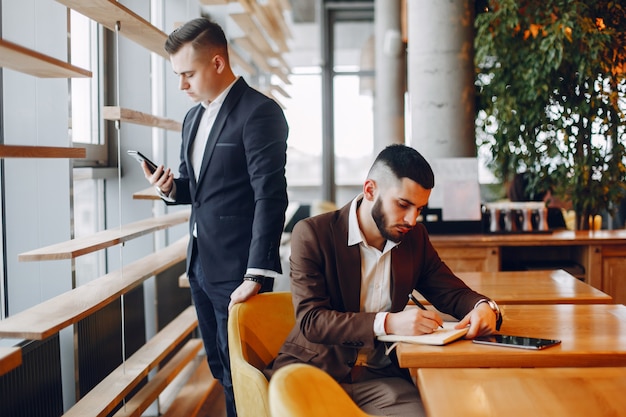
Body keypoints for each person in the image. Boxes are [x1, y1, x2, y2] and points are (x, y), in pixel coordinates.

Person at [264, 144, 501, 416]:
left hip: (380, 377)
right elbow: (311, 320)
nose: (412, 219)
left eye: (420, 208)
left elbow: (452, 292)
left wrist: (484, 307)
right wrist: (388, 322)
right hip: (313, 371)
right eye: (403, 205)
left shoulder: (415, 238)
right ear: (370, 190)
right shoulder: (312, 234)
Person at [141, 18, 288, 417]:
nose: (182, 85)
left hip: (240, 274)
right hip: (200, 267)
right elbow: (197, 187)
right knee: (221, 369)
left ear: (218, 63)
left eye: (188, 74)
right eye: (177, 75)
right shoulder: (192, 118)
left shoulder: (260, 112)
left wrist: (256, 275)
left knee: (249, 373)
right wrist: (170, 187)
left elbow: (270, 197)